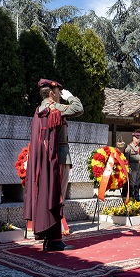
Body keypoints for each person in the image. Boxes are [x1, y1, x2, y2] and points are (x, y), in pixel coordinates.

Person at [23, 78, 84, 252]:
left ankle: (49, 239)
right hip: (59, 159)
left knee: (46, 196)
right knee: (57, 198)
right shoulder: (54, 107)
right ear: (51, 93)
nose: (60, 95)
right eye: (58, 92)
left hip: (44, 161)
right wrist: (71, 97)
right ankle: (55, 240)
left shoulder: (38, 110)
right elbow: (78, 109)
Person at [124, 132, 140, 201]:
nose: (138, 140)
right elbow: (126, 160)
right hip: (132, 167)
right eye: (137, 138)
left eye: (139, 138)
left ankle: (137, 196)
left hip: (139, 167)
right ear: (133, 138)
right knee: (132, 182)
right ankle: (132, 196)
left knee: (137, 182)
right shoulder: (129, 148)